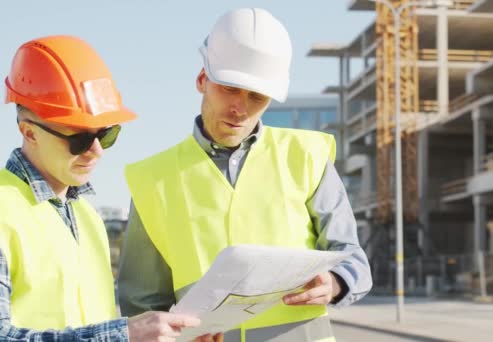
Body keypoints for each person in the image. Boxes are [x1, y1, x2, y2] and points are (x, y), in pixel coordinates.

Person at [118, 7, 372, 342]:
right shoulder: (153, 178)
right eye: (229, 89)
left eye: (256, 96)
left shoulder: (306, 156)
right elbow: (142, 301)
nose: (241, 107)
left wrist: (335, 282)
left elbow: (352, 256)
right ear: (201, 81)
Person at [0, 35, 222, 342]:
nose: (96, 151)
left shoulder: (87, 217)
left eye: (105, 135)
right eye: (78, 139)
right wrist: (124, 334)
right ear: (29, 132)